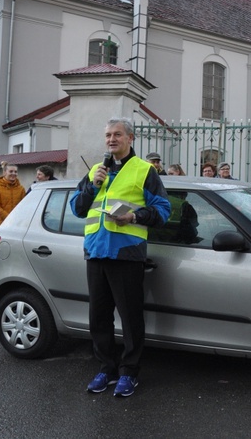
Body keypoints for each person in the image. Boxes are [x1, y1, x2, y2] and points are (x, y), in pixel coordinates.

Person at [70, 117, 171, 397]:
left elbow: (163, 210)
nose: (111, 140)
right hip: (96, 251)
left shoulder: (144, 170)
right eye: (107, 135)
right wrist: (92, 186)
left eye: (117, 135)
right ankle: (106, 368)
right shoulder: (96, 171)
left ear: (130, 138)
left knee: (130, 317)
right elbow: (77, 209)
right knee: (98, 317)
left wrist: (135, 216)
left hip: (126, 253)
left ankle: (129, 372)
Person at [0, 161, 26, 227]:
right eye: (11, 171)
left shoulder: (21, 189)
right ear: (4, 173)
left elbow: (24, 207)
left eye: (15, 172)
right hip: (1, 224)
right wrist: (10, 218)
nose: (13, 173)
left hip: (17, 223)